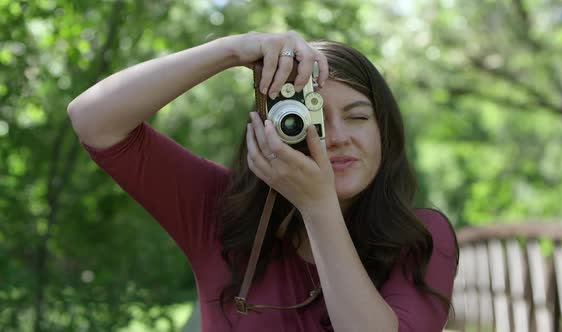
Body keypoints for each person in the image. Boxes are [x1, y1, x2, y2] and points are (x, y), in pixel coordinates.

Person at [67, 31, 458, 331]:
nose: (337, 137)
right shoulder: (220, 210)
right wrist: (237, 49)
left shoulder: (421, 237)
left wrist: (317, 206)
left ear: (384, 131)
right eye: (312, 119)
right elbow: (93, 118)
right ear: (270, 127)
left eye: (358, 117)